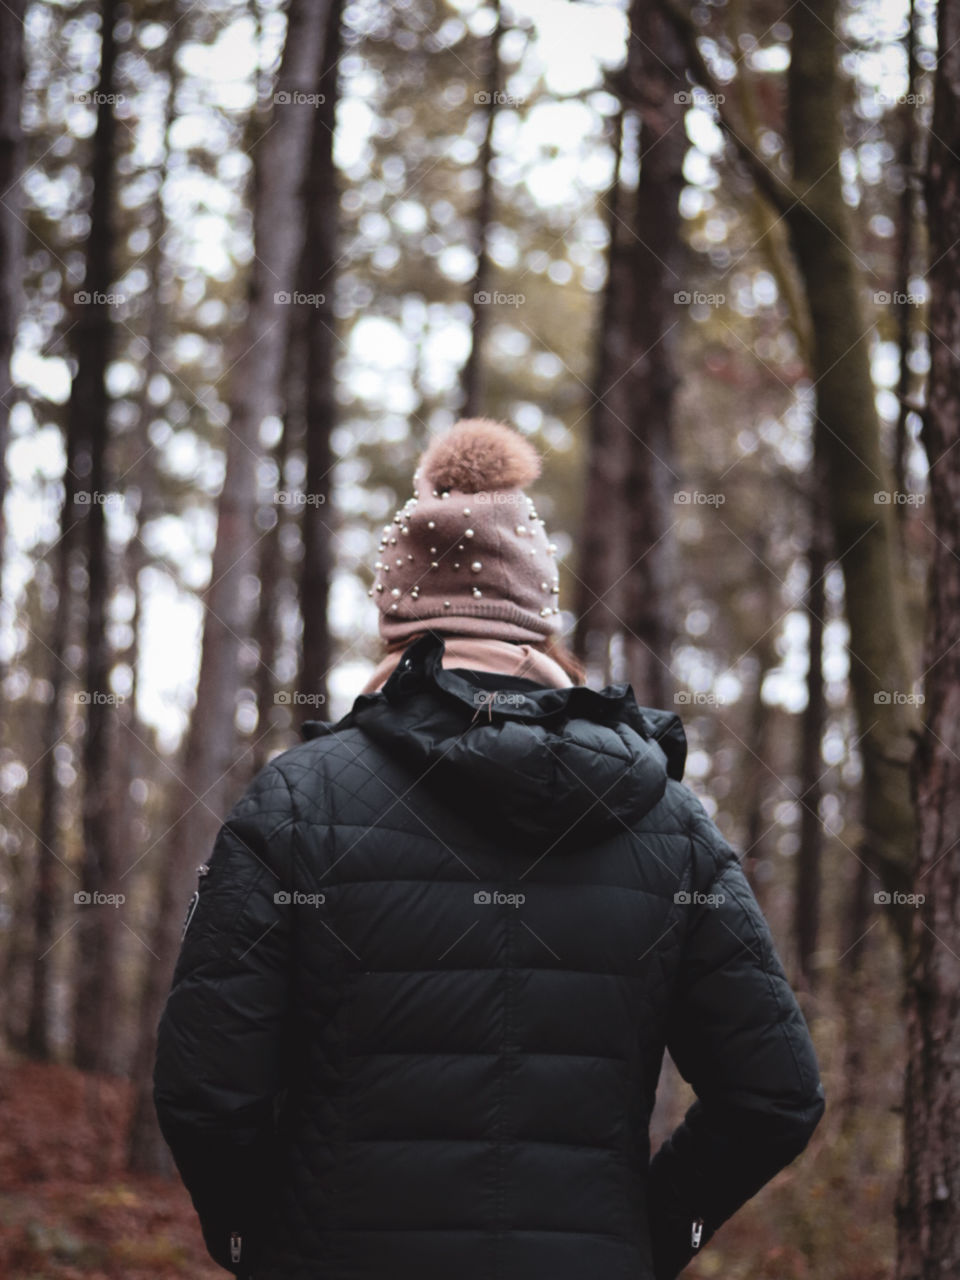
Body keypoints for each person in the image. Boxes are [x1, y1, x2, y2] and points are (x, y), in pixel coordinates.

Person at [154, 418, 824, 1280]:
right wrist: (644, 1241)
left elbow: (207, 1095)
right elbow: (775, 1096)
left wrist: (264, 1247)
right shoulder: (670, 823)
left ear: (396, 616)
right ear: (537, 618)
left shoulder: (296, 803)